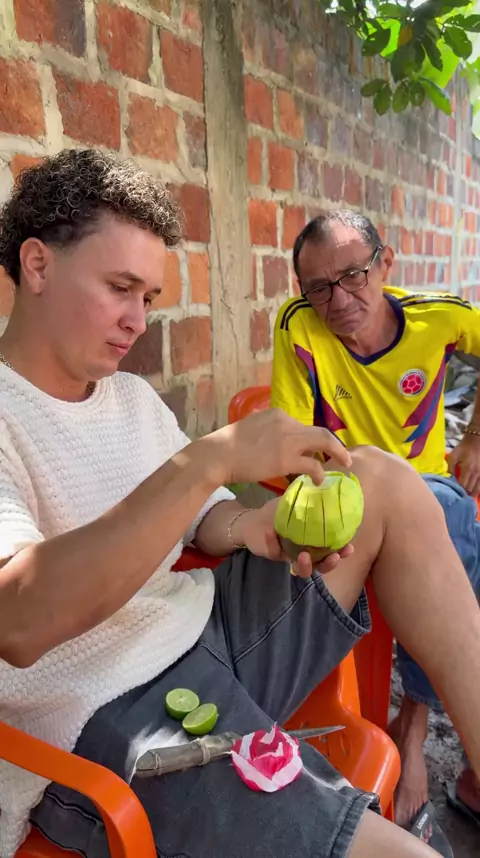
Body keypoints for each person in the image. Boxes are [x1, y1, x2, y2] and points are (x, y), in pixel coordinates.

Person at [0, 152, 479, 858]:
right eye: (120, 288)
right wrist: (208, 459)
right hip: (109, 713)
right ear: (37, 265)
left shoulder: (129, 397)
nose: (137, 321)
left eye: (148, 298)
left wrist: (256, 524)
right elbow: (18, 620)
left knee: (383, 477)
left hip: (206, 630)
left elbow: (205, 516)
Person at [270, 209, 480, 844]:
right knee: (457, 525)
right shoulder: (299, 326)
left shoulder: (439, 317)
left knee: (446, 513)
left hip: (428, 491)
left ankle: (411, 727)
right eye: (319, 287)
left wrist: (475, 438)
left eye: (354, 275)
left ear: (385, 264)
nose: (338, 299)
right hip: (348, 490)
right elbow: (285, 437)